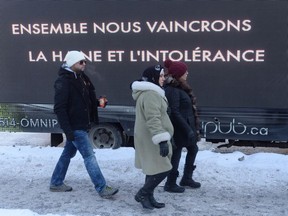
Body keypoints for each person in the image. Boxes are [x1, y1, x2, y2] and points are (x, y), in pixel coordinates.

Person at [49, 50, 118, 198]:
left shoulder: (81, 78)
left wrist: (99, 103)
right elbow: (60, 108)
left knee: (67, 154)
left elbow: (86, 100)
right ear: (72, 62)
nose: (84, 64)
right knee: (89, 156)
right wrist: (68, 130)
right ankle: (102, 187)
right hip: (75, 127)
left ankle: (56, 182)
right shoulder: (63, 82)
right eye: (81, 62)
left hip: (82, 124)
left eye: (85, 61)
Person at [131, 65, 174, 210]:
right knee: (164, 168)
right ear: (153, 78)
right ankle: (143, 194)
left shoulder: (150, 92)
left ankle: (149, 197)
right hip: (152, 137)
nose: (163, 78)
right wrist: (161, 140)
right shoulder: (151, 94)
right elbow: (153, 118)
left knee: (152, 168)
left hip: (149, 136)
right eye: (161, 76)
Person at [163, 59, 201, 193]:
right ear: (178, 74)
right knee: (176, 154)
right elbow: (174, 111)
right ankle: (170, 183)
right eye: (185, 71)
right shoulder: (173, 90)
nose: (187, 73)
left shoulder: (180, 87)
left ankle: (186, 178)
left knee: (193, 149)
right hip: (179, 128)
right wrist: (187, 129)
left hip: (187, 127)